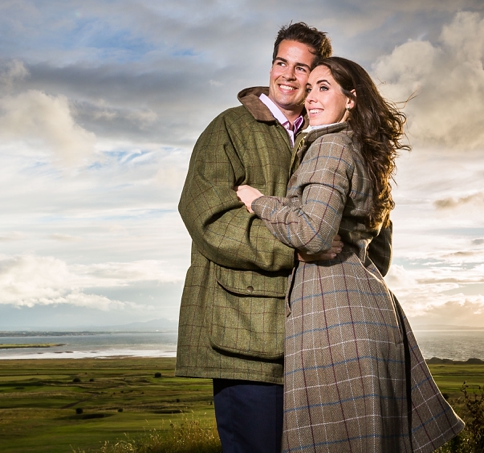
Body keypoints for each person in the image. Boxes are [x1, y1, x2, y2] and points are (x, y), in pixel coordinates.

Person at [236, 57, 464, 452]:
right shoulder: (361, 149)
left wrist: (260, 203)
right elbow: (375, 247)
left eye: (324, 88)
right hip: (370, 313)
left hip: (333, 320)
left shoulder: (329, 148)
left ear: (352, 99)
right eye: (310, 89)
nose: (310, 97)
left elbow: (312, 233)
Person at [175, 22, 334, 453]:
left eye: (301, 68)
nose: (287, 75)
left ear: (318, 77)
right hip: (243, 331)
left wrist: (349, 271)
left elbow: (364, 222)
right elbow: (206, 216)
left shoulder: (330, 138)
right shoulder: (228, 128)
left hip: (316, 333)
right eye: (281, 62)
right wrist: (301, 246)